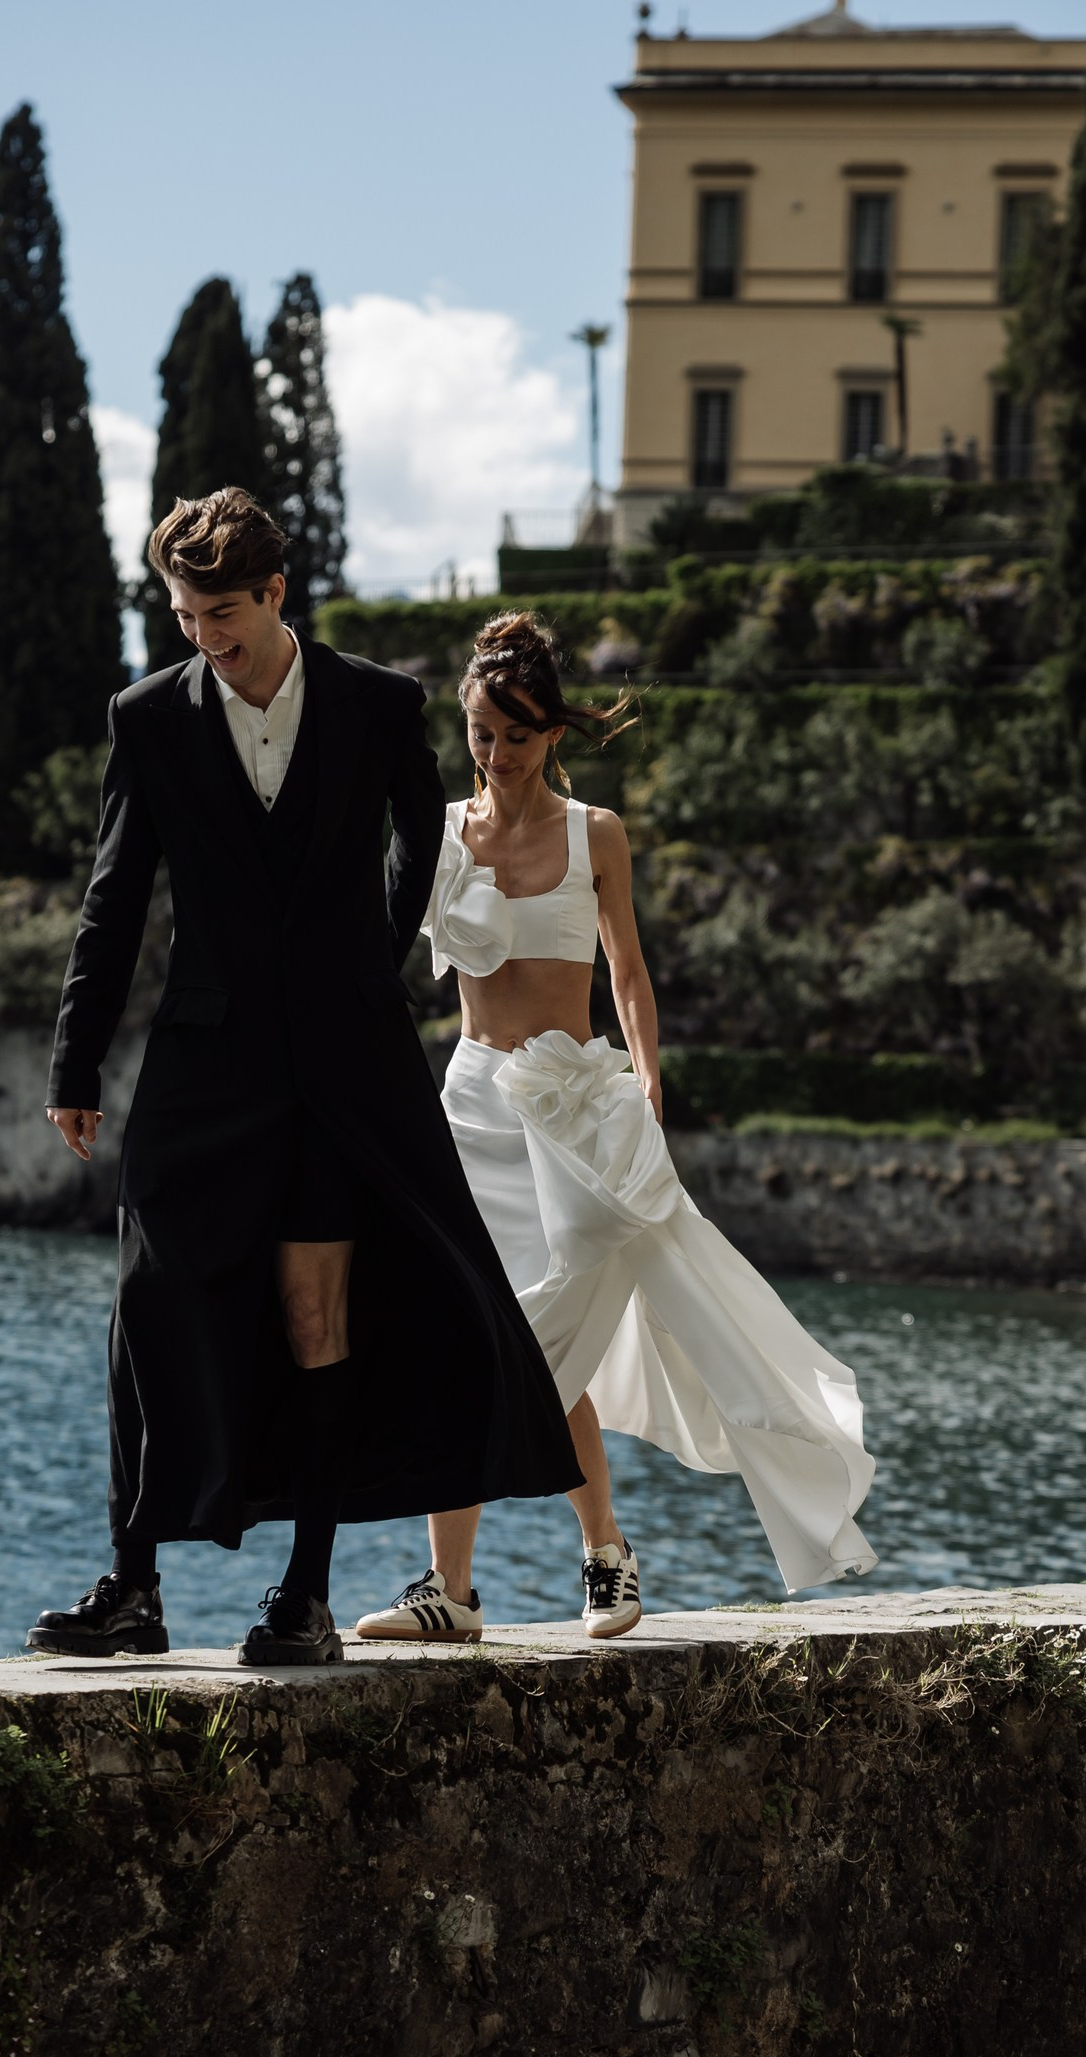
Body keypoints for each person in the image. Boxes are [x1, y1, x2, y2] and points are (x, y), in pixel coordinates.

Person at [28, 494, 577, 1665]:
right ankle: (132, 1587)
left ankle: (304, 1598)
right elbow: (114, 898)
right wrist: (76, 1058)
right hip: (202, 1066)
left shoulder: (378, 704)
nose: (202, 638)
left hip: (341, 1068)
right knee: (147, 1309)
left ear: (275, 593)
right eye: (183, 616)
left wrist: (369, 963)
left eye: (220, 614)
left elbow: (417, 840)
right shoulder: (147, 717)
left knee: (316, 1312)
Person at [353, 611, 875, 1647]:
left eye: (515, 735)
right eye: (481, 734)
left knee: (543, 1341)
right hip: (469, 1108)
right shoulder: (440, 833)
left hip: (576, 1112)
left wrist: (647, 1080)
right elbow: (377, 962)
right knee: (466, 1335)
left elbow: (626, 970)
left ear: (552, 733)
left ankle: (604, 1554)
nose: (496, 754)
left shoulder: (596, 833)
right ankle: (451, 1589)